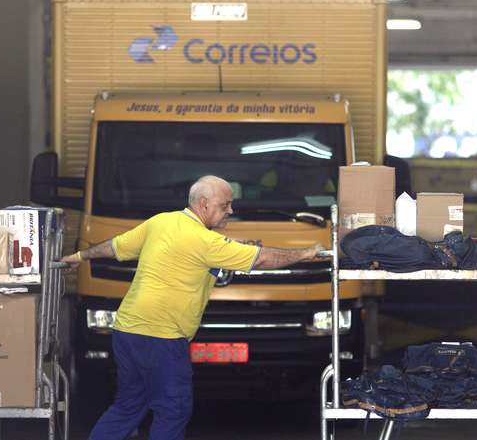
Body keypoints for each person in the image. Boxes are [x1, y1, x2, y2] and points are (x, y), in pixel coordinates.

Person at [59, 175, 326, 440]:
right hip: (161, 337)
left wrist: (80, 256)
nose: (231, 211)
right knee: (172, 410)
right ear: (203, 204)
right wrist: (305, 253)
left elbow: (115, 248)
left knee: (129, 407)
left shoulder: (162, 222)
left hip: (127, 331)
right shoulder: (205, 241)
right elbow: (263, 260)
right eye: (225, 205)